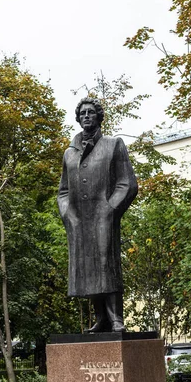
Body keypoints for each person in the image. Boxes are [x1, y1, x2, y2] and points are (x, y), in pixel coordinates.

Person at [57, 97, 138, 332]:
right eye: (82, 113)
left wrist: (110, 208)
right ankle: (101, 317)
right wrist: (67, 214)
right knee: (86, 268)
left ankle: (116, 319)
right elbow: (63, 191)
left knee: (106, 264)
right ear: (78, 117)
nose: (86, 116)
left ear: (99, 116)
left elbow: (128, 184)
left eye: (91, 112)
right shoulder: (69, 153)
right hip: (79, 219)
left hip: (103, 215)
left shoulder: (113, 144)